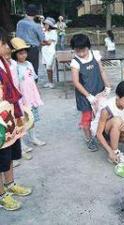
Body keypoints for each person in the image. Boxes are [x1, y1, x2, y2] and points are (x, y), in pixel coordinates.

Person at [0, 29, 31, 211]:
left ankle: (10, 184)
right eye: (4, 44)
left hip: (9, 117)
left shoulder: (5, 62)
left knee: (9, 155)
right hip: (1, 121)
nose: (7, 47)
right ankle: (2, 195)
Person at [70, 34, 111, 152]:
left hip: (99, 92)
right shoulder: (75, 62)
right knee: (87, 118)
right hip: (85, 96)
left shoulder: (95, 55)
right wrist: (88, 96)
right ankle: (89, 139)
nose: (81, 54)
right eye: (78, 51)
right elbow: (76, 82)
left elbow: (102, 71)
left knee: (101, 114)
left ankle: (101, 134)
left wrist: (107, 86)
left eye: (83, 50)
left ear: (88, 47)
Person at [11, 37, 46, 148]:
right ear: (15, 54)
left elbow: (33, 79)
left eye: (25, 52)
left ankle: (33, 137)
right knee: (22, 120)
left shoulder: (29, 64)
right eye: (20, 53)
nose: (23, 55)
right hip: (22, 99)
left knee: (32, 119)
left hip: (31, 97)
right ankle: (21, 143)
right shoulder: (14, 67)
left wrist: (37, 92)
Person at [16, 4, 49, 82]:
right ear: (36, 13)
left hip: (20, 49)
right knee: (32, 70)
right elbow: (42, 39)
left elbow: (17, 36)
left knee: (21, 70)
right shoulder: (36, 25)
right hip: (32, 50)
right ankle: (33, 88)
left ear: (26, 12)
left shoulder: (19, 23)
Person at [42, 17, 58, 89]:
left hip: (50, 51)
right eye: (44, 24)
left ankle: (51, 82)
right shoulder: (44, 32)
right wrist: (44, 42)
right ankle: (49, 81)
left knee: (50, 67)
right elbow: (40, 42)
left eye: (46, 24)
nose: (45, 25)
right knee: (46, 67)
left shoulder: (53, 32)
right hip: (44, 51)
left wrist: (44, 41)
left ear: (50, 25)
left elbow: (49, 43)